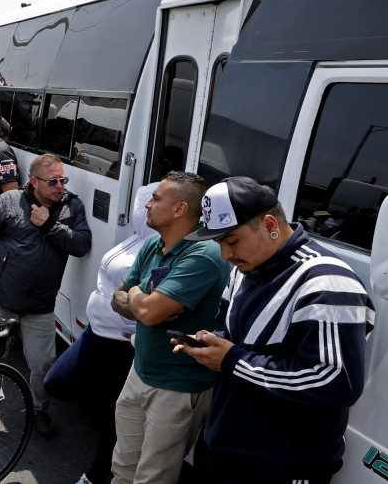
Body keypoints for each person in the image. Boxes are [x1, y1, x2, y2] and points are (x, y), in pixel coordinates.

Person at [177, 176, 375, 484]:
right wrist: (211, 344)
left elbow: (336, 382)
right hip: (225, 448)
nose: (226, 255)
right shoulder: (246, 267)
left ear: (270, 224)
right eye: (219, 244)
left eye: (231, 241)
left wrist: (231, 360)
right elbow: (228, 331)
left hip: (281, 466)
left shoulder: (328, 282)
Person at [108, 171, 231, 484]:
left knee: (152, 478)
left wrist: (138, 298)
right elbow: (118, 297)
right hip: (140, 373)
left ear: (179, 210)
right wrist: (142, 300)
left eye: (156, 198)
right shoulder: (154, 244)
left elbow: (144, 309)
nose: (147, 204)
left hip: (178, 387)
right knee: (122, 467)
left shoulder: (205, 254)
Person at [0, 153, 92, 438]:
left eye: (63, 180)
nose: (60, 186)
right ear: (34, 182)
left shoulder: (72, 206)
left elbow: (82, 244)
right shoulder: (7, 202)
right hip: (0, 299)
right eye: (53, 181)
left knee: (43, 362)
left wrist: (49, 225)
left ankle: (39, 409)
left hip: (41, 306)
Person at [44, 182, 160, 484]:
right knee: (56, 383)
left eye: (150, 201)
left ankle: (95, 476)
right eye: (144, 202)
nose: (143, 207)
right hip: (96, 334)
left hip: (121, 345)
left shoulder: (165, 248)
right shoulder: (140, 238)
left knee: (113, 417)